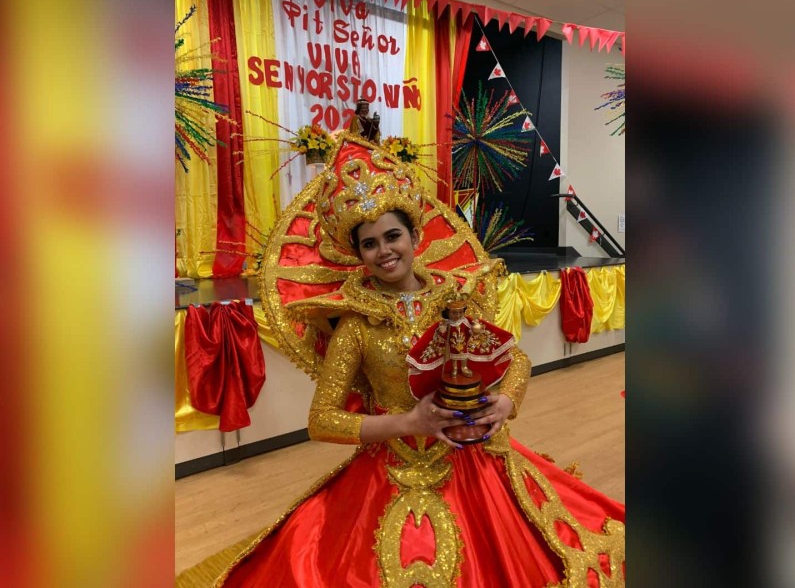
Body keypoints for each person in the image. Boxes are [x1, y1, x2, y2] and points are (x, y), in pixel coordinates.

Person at [177, 133, 625, 587]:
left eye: (393, 236)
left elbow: (515, 362)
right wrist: (410, 423)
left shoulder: (456, 301)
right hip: (393, 464)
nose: (384, 250)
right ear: (358, 254)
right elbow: (321, 420)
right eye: (369, 244)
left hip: (475, 456)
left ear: (415, 236)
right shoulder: (354, 325)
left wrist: (504, 404)